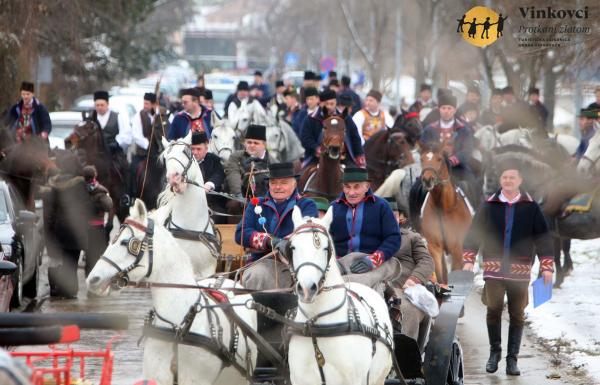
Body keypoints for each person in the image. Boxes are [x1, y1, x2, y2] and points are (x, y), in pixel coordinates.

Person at [462, 161, 554, 376]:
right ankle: (495, 352)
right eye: (504, 177)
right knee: (493, 308)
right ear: (500, 181)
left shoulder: (531, 207)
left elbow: (543, 238)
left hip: (519, 271)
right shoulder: (489, 205)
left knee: (517, 314)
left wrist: (547, 266)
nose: (508, 181)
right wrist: (468, 258)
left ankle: (512, 359)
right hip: (493, 269)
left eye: (512, 177)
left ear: (520, 180)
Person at [235, 162, 318, 289]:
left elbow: (308, 232)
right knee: (257, 275)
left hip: (294, 264)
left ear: (294, 183)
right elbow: (241, 233)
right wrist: (269, 240)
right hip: (260, 262)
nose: (277, 187)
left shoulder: (306, 205)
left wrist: (284, 242)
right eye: (273, 183)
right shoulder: (256, 204)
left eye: (284, 183)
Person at [329, 168, 401, 285]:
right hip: (339, 264)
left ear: (367, 186)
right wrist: (333, 262)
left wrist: (373, 260)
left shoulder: (382, 206)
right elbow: (326, 238)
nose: (351, 193)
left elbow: (393, 238)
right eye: (347, 187)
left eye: (356, 187)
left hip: (372, 264)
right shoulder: (333, 208)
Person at [384, 197, 434, 352]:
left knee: (409, 310)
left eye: (394, 214)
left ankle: (407, 360)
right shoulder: (368, 239)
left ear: (400, 217)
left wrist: (414, 279)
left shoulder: (412, 238)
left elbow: (426, 261)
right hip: (375, 288)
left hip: (404, 291)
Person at [43, 154, 88, 298]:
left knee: (59, 260)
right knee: (73, 261)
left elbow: (50, 210)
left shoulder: (53, 184)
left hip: (59, 228)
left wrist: (48, 231)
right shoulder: (80, 183)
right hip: (75, 228)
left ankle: (58, 288)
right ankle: (71, 289)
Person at [420, 93, 478, 204]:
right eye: (443, 108)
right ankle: (416, 218)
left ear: (454, 110)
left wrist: (451, 161)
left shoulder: (464, 129)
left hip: (458, 168)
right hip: (433, 168)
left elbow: (467, 150)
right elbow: (423, 148)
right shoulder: (429, 129)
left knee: (472, 184)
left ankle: (474, 214)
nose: (446, 111)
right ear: (439, 109)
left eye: (449, 108)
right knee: (416, 189)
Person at [301, 89, 365, 169]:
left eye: (332, 104)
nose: (329, 107)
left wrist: (359, 154)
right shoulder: (311, 119)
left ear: (336, 103)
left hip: (343, 157)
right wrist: (316, 148)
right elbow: (305, 138)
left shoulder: (345, 118)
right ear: (320, 103)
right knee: (304, 176)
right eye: (326, 104)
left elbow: (355, 137)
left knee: (358, 177)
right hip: (317, 158)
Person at [224, 124, 275, 217]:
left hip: (266, 199)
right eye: (249, 142)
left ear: (264, 145)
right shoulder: (236, 157)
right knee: (234, 205)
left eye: (256, 143)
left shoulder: (273, 162)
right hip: (242, 198)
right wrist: (239, 196)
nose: (252, 145)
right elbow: (233, 174)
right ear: (244, 143)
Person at [130, 92, 167, 199]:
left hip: (160, 154)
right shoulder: (138, 116)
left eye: (147, 104)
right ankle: (132, 196)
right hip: (143, 154)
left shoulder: (162, 116)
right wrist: (150, 146)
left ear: (154, 104)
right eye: (144, 103)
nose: (144, 106)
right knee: (132, 169)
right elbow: (137, 136)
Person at [82, 165, 112, 280]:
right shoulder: (101, 190)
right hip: (98, 229)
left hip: (85, 229)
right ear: (95, 175)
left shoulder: (80, 190)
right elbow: (109, 206)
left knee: (89, 257)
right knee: (100, 256)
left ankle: (89, 278)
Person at [191, 131, 226, 221]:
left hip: (210, 203)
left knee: (219, 216)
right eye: (192, 149)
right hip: (188, 203)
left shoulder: (213, 159)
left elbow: (219, 174)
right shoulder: (184, 160)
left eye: (198, 149)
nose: (195, 152)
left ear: (206, 148)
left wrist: (209, 184)